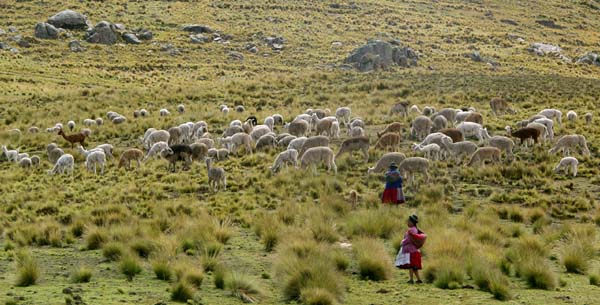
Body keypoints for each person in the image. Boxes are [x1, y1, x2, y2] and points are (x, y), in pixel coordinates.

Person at [395, 214, 425, 284]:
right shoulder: (414, 230)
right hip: (413, 251)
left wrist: (402, 242)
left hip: (410, 251)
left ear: (412, 222)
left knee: (411, 266)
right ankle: (418, 279)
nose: (407, 223)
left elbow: (408, 240)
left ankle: (411, 279)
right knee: (414, 267)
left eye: (409, 221)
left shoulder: (411, 230)